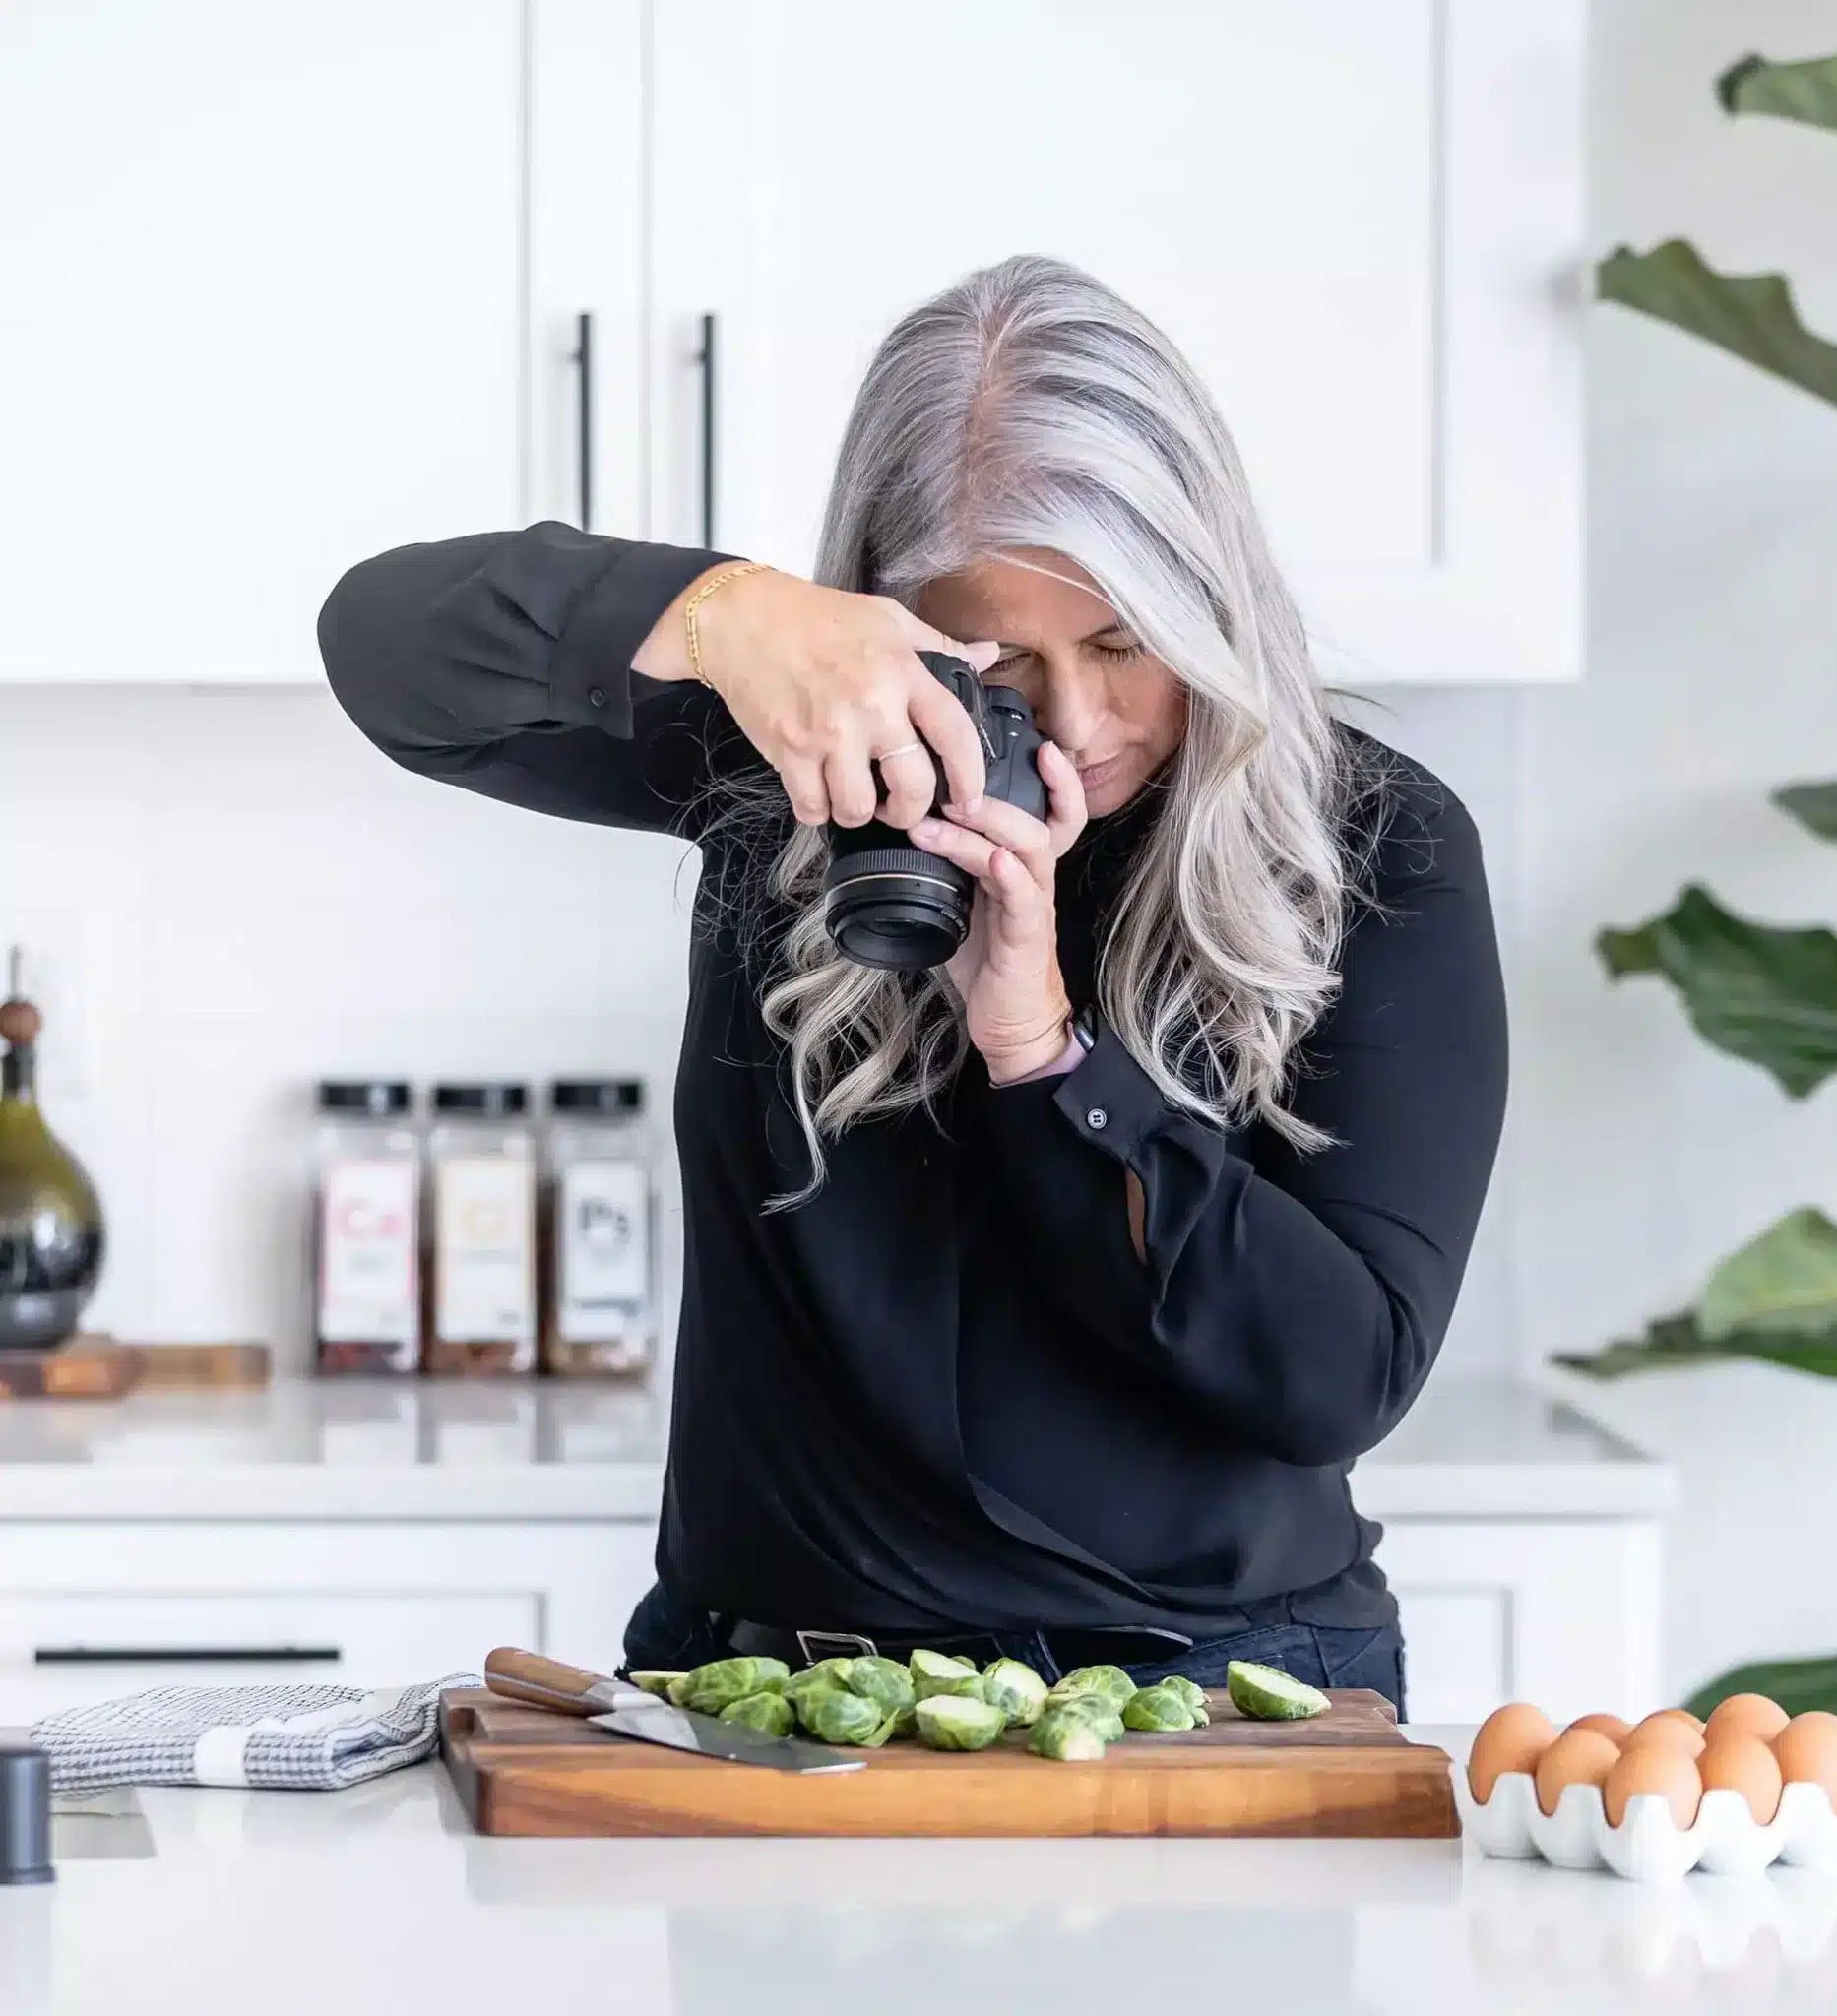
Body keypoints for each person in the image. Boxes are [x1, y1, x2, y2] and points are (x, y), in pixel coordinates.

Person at [318, 255, 1507, 1717]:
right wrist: (726, 613)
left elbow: (1342, 1376)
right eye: (1002, 662)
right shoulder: (788, 763)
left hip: (1213, 1698)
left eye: (1128, 643)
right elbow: (382, 649)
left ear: (1212, 599)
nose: (1078, 723)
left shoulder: (1371, 844)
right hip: (773, 1697)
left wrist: (1044, 1054)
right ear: (880, 630)